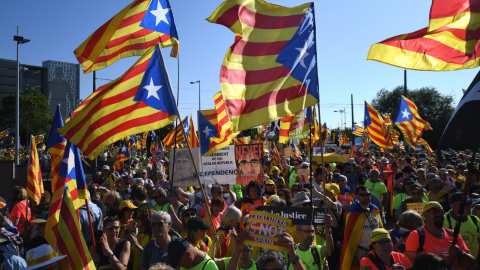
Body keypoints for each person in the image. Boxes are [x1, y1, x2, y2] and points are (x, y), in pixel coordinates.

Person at [404, 201, 477, 269]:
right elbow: (410, 264)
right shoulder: (416, 235)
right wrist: (439, 260)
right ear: (425, 215)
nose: (439, 214)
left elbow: (473, 266)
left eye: (441, 212)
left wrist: (460, 253)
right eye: (434, 211)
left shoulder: (453, 234)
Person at [340, 185, 383, 270]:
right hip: (361, 252)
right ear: (357, 196)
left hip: (377, 250)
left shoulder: (375, 210)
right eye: (363, 195)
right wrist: (353, 256)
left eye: (368, 194)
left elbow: (381, 228)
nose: (366, 197)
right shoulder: (353, 212)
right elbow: (349, 236)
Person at [443, 192, 480, 259]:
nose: (470, 206)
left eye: (470, 203)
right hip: (456, 264)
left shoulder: (474, 219)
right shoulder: (445, 221)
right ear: (455, 205)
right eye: (467, 204)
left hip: (473, 263)